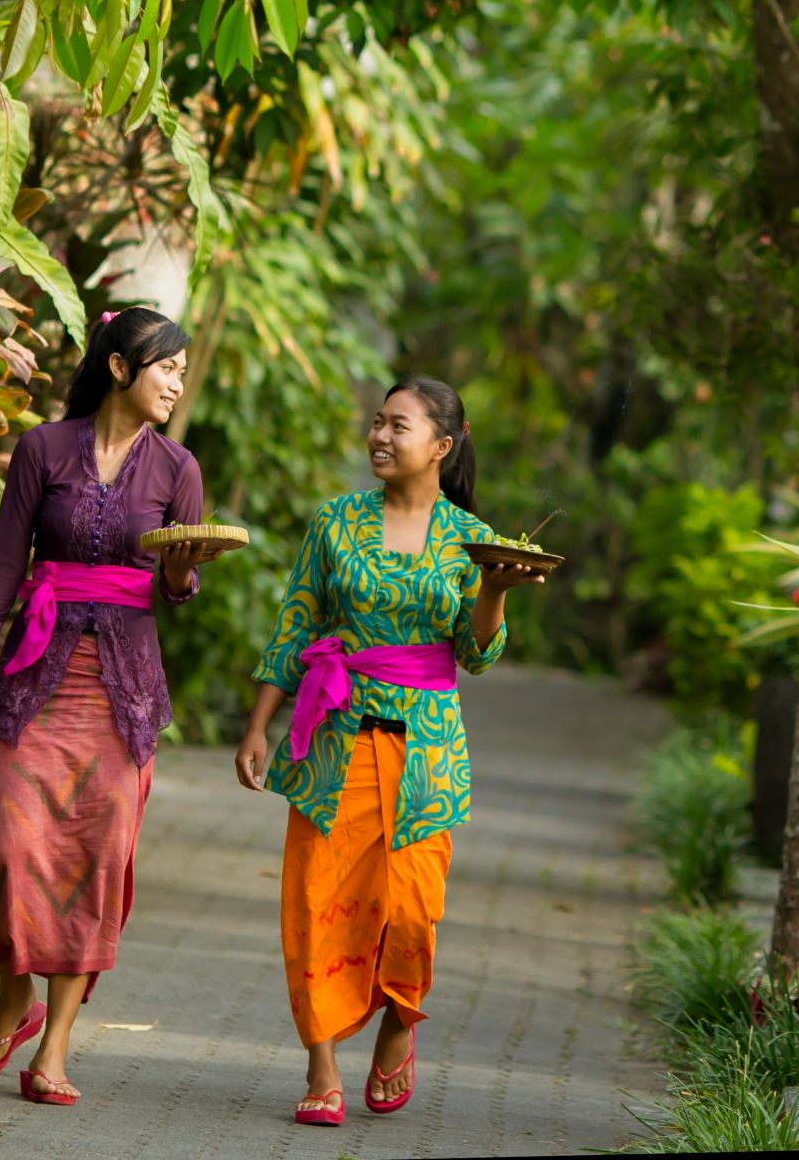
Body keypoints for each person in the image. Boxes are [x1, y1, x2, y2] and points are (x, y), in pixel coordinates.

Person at [233, 376, 546, 1127]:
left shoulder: (471, 538)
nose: (378, 435)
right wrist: (258, 725)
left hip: (426, 752)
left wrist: (495, 590)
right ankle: (321, 1066)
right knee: (313, 904)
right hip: (333, 741)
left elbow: (476, 653)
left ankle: (399, 1022)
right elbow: (295, 622)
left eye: (396, 425)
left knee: (410, 913)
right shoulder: (334, 522)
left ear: (441, 444)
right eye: (375, 421)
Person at [0, 307, 224, 1106]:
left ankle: (55, 1049)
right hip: (35, 673)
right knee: (7, 843)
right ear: (117, 367)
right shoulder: (41, 449)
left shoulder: (179, 468)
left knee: (95, 863)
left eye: (179, 370)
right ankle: (13, 998)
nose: (176, 381)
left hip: (124, 689)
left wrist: (181, 570)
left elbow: (176, 588)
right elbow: (5, 563)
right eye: (165, 367)